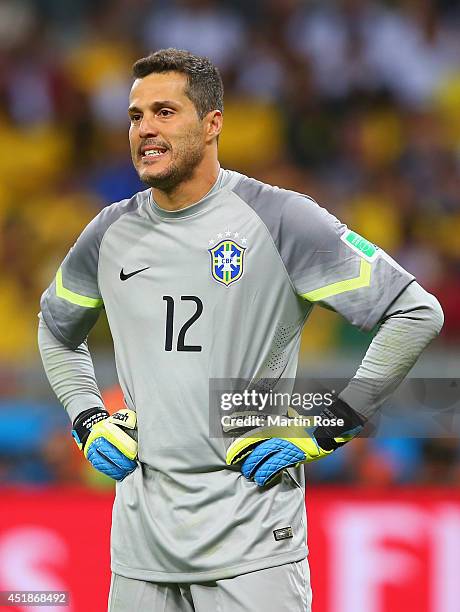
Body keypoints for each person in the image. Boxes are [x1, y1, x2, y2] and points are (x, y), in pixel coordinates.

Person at [38, 48, 443, 612]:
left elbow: (415, 311)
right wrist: (86, 417)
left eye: (164, 112)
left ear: (211, 125)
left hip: (254, 547)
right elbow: (56, 328)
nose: (145, 130)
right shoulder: (110, 232)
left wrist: (330, 424)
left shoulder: (280, 219)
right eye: (135, 116)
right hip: (138, 551)